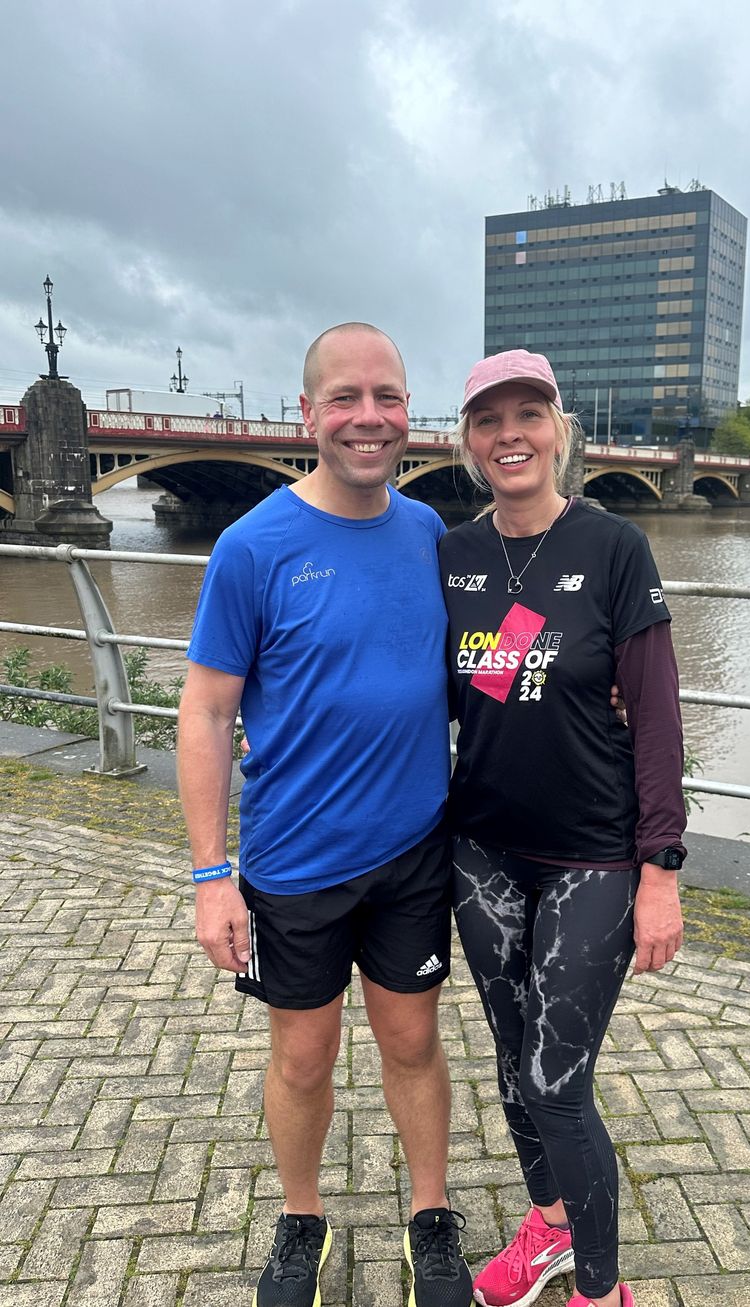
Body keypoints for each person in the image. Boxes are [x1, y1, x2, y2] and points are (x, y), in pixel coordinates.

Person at [177, 322, 474, 1307]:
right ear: (306, 413)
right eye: (344, 397)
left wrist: (588, 681)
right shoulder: (250, 547)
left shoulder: (430, 531)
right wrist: (210, 874)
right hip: (293, 862)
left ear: (406, 413)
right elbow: (208, 710)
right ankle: (300, 1217)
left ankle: (429, 1216)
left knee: (412, 1043)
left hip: (411, 851)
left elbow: (480, 658)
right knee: (301, 1055)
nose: (367, 416)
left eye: (386, 396)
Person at [439, 350, 686, 1307]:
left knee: (555, 1079)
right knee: (511, 1061)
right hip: (483, 848)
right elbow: (420, 688)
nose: (511, 433)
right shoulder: (453, 555)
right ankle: (547, 1223)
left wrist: (660, 863)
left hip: (594, 853)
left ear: (560, 430)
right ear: (467, 442)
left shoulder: (615, 546)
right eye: (489, 418)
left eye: (529, 414)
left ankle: (600, 1289)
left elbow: (657, 716)